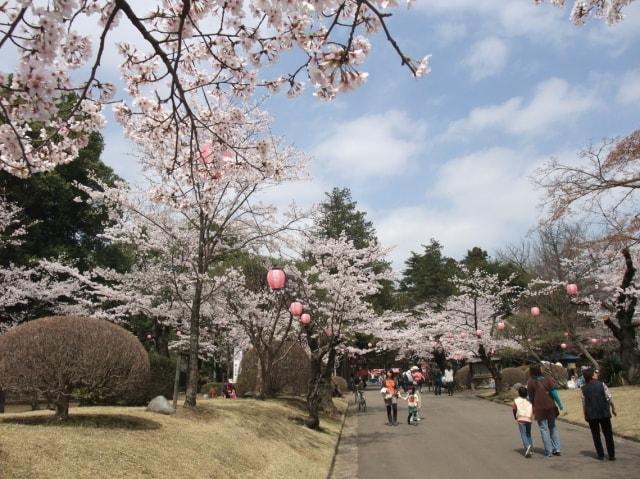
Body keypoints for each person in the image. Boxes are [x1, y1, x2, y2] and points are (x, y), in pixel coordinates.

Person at [527, 364, 564, 457]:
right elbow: (554, 393)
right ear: (538, 370)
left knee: (543, 429)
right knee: (553, 427)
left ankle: (549, 451)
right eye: (541, 367)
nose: (542, 368)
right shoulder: (547, 379)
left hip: (539, 408)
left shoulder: (530, 382)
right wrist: (559, 404)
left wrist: (532, 406)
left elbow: (530, 397)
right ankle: (557, 449)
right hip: (550, 406)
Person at [582, 368, 617, 461]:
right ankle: (611, 455)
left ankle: (600, 454)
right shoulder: (602, 384)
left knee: (596, 435)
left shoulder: (584, 388)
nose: (597, 374)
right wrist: (613, 408)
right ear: (592, 376)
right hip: (604, 412)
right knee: (608, 434)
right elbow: (609, 397)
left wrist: (585, 414)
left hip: (591, 414)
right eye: (595, 373)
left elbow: (584, 403)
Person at [512, 386, 534, 458]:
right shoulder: (529, 400)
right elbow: (533, 409)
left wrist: (515, 416)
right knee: (528, 433)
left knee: (523, 434)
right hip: (528, 418)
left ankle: (527, 447)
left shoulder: (516, 400)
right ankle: (530, 447)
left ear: (519, 393)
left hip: (521, 418)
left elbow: (514, 409)